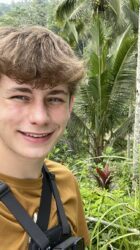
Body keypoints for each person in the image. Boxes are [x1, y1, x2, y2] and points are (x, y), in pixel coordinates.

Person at [0, 26, 90, 249]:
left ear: (70, 105)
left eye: (55, 99)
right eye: (21, 96)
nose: (40, 117)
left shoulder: (64, 182)